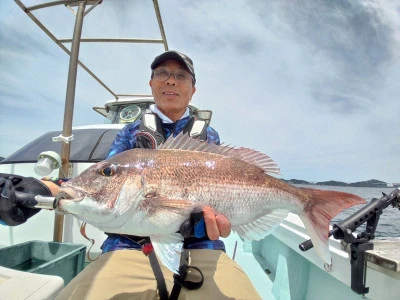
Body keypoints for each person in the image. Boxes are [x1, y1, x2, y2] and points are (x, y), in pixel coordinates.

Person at [0, 51, 261, 299]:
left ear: (193, 89)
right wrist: (44, 189)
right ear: (151, 83)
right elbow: (102, 180)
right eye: (162, 73)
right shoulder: (129, 133)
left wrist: (227, 218)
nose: (171, 79)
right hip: (127, 245)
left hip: (203, 247)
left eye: (181, 75)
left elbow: (229, 185)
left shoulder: (209, 135)